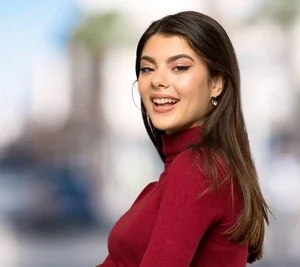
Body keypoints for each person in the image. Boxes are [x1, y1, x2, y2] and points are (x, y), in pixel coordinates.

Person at [98, 11, 270, 267]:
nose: (158, 80)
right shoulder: (201, 167)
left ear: (217, 83)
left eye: (179, 67)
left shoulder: (197, 168)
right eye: (147, 68)